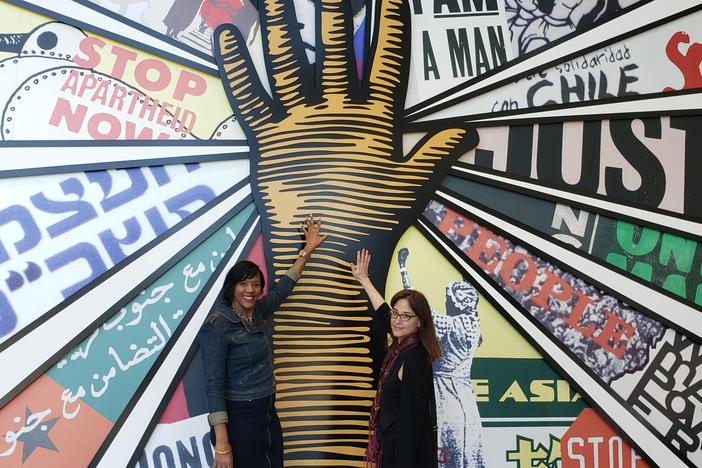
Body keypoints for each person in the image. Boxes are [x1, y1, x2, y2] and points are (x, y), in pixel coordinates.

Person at [197, 216, 327, 468]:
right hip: (241, 418)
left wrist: (308, 250)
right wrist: (222, 445)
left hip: (267, 412)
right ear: (232, 287)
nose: (251, 290)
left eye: (256, 284)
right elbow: (214, 387)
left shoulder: (257, 312)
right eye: (243, 283)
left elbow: (284, 288)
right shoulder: (217, 325)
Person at [350, 249, 440, 468]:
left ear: (420, 322)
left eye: (406, 316)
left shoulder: (414, 359)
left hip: (401, 456)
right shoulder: (401, 347)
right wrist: (364, 280)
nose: (397, 321)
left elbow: (415, 425)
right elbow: (383, 314)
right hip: (386, 448)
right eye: (395, 313)